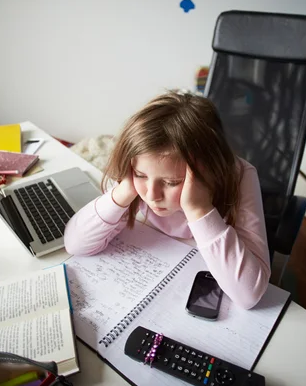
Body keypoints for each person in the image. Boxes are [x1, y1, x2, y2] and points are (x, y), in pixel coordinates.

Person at [64, 91, 271, 309]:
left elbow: (249, 295)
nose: (152, 195)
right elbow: (75, 244)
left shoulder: (241, 176)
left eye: (171, 182)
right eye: (141, 175)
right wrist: (124, 190)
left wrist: (198, 208)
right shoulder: (141, 174)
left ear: (209, 172)